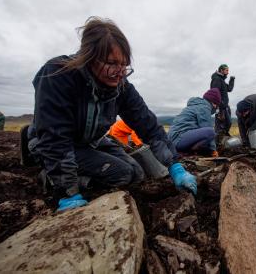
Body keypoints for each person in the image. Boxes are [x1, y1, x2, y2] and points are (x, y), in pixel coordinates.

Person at [27, 17, 197, 212]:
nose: (120, 72)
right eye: (112, 63)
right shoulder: (58, 74)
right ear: (89, 57)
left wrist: (175, 167)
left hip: (91, 142)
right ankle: (51, 178)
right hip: (52, 145)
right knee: (122, 174)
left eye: (124, 65)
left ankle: (76, 173)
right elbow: (55, 137)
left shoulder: (120, 87)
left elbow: (148, 125)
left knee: (136, 173)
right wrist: (68, 193)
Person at [168, 88, 221, 157]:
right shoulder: (205, 107)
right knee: (210, 132)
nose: (216, 109)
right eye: (217, 106)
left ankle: (188, 151)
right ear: (214, 103)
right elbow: (207, 126)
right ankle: (190, 152)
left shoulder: (196, 105)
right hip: (178, 140)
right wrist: (213, 150)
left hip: (172, 140)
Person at [210, 64, 235, 138]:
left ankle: (223, 137)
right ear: (221, 70)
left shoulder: (222, 80)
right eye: (226, 70)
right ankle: (217, 142)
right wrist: (218, 106)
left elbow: (229, 89)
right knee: (219, 125)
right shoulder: (217, 79)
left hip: (225, 106)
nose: (228, 72)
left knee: (228, 123)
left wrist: (232, 80)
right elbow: (214, 93)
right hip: (220, 106)